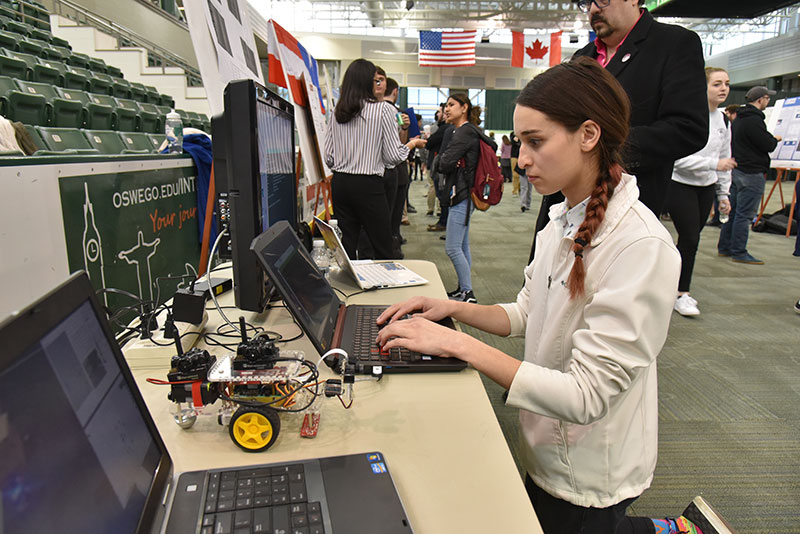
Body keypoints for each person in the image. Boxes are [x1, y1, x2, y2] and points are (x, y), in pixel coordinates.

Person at [376, 58, 732, 534]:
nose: (520, 158)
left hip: (591, 464)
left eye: (535, 142)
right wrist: (451, 308)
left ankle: (681, 530)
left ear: (588, 135)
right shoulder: (563, 216)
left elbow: (587, 395)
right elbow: (528, 311)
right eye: (520, 142)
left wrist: (456, 343)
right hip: (547, 439)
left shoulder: (641, 247)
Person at [529, 0, 708, 263]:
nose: (592, 9)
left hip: (623, 209)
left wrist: (600, 151)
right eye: (586, 2)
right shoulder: (583, 56)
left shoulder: (673, 44)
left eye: (601, 0)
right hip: (562, 208)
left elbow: (689, 128)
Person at [323, 59, 424, 260]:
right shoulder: (384, 110)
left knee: (348, 243)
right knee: (382, 245)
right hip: (368, 184)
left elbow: (329, 157)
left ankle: (349, 288)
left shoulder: (337, 112)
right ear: (368, 82)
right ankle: (382, 288)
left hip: (341, 183)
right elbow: (392, 156)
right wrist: (411, 145)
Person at [668, 67, 734, 317]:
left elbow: (726, 157)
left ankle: (674, 284)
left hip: (706, 187)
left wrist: (723, 195)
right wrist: (712, 164)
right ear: (702, 87)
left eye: (727, 84)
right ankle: (681, 293)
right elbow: (676, 160)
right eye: (717, 84)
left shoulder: (724, 120)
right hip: (679, 183)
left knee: (689, 241)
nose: (723, 89)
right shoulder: (688, 118)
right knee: (691, 239)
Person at [438, 93, 495, 303]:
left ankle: (468, 292)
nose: (447, 108)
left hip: (462, 194)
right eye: (446, 105)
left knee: (452, 247)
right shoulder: (469, 131)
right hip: (466, 193)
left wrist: (442, 161)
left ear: (464, 108)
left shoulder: (463, 132)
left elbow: (443, 163)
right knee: (462, 245)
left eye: (452, 105)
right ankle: (464, 289)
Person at [717, 85, 781, 265]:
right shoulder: (755, 121)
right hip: (752, 172)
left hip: (737, 170)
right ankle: (739, 251)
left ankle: (725, 247)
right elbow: (767, 144)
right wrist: (773, 140)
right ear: (760, 100)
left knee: (734, 212)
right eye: (767, 99)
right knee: (744, 215)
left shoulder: (739, 119)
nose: (768, 102)